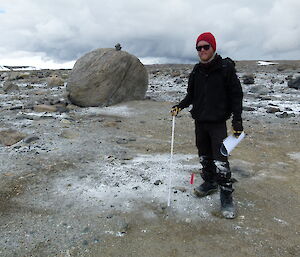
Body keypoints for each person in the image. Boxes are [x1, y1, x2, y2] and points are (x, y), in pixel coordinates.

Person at [171, 32, 243, 219]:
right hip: (200, 122)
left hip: (218, 123)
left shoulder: (225, 69)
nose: (202, 50)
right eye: (199, 48)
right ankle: (210, 182)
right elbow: (191, 96)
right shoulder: (196, 71)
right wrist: (180, 106)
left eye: (206, 47)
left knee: (221, 160)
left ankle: (226, 197)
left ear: (213, 47)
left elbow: (236, 96)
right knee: (204, 155)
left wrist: (237, 121)